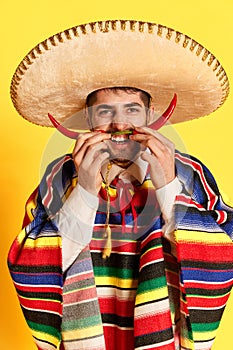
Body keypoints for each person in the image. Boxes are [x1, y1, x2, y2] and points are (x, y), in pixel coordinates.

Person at [8, 20, 233, 350]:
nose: (119, 124)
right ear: (87, 120)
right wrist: (84, 190)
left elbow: (224, 248)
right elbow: (28, 262)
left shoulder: (188, 171)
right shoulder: (58, 176)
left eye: (132, 109)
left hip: (164, 332)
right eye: (104, 112)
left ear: (150, 115)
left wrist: (168, 186)